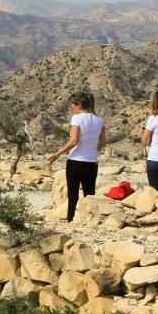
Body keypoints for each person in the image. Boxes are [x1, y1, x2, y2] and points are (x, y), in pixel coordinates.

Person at [47, 92, 105, 222]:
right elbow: (103, 143)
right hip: (92, 161)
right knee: (90, 193)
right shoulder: (99, 120)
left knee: (73, 193)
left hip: (76, 160)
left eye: (72, 106)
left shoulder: (77, 118)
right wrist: (91, 148)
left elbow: (74, 141)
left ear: (78, 105)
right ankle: (90, 218)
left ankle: (71, 218)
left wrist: (56, 154)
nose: (71, 109)